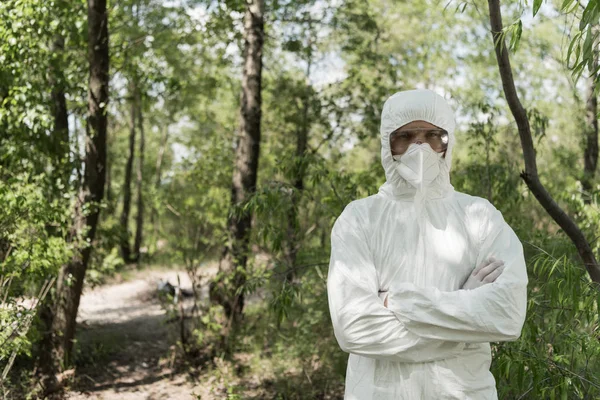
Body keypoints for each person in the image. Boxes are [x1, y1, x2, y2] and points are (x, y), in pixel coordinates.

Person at [327, 89, 528, 399]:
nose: (419, 148)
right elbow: (354, 328)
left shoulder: (480, 217)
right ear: (387, 143)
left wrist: (395, 302)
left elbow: (507, 315)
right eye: (404, 136)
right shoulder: (360, 218)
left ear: (448, 142)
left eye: (433, 135)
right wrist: (465, 309)